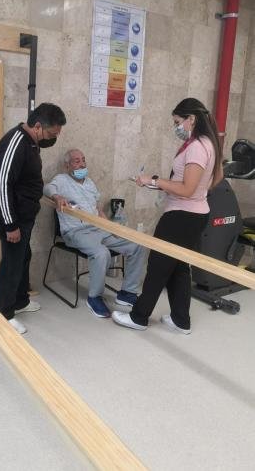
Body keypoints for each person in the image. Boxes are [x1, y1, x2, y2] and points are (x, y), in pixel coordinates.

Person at [112, 98, 223, 334]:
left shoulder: (196, 147)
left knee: (159, 265)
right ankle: (181, 320)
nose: (176, 128)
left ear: (191, 119)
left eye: (177, 122)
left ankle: (139, 317)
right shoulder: (209, 142)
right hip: (196, 213)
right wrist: (160, 184)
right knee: (179, 266)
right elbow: (216, 177)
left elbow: (186, 189)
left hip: (181, 217)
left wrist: (154, 181)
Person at [44, 149, 146, 318]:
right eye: (77, 161)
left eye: (83, 160)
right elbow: (47, 188)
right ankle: (94, 298)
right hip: (75, 232)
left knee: (137, 246)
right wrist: (57, 197)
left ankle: (127, 293)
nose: (82, 164)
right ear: (67, 165)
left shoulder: (90, 183)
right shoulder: (61, 180)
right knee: (101, 253)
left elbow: (97, 209)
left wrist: (110, 228)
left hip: (98, 230)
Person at [0, 102, 66, 334]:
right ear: (37, 126)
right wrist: (10, 225)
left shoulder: (31, 144)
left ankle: (20, 300)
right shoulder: (15, 143)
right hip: (12, 218)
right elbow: (2, 185)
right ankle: (4, 313)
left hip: (24, 216)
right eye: (52, 134)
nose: (53, 138)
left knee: (24, 257)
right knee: (12, 264)